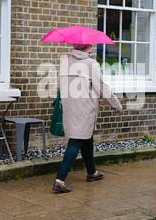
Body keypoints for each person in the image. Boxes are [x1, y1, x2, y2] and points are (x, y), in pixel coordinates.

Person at [53, 44, 123, 193]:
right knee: (76, 141)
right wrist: (116, 104)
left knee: (86, 137)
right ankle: (60, 180)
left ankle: (92, 173)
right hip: (85, 108)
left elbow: (59, 85)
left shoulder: (66, 61)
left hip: (69, 106)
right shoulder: (91, 64)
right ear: (87, 47)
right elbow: (102, 87)